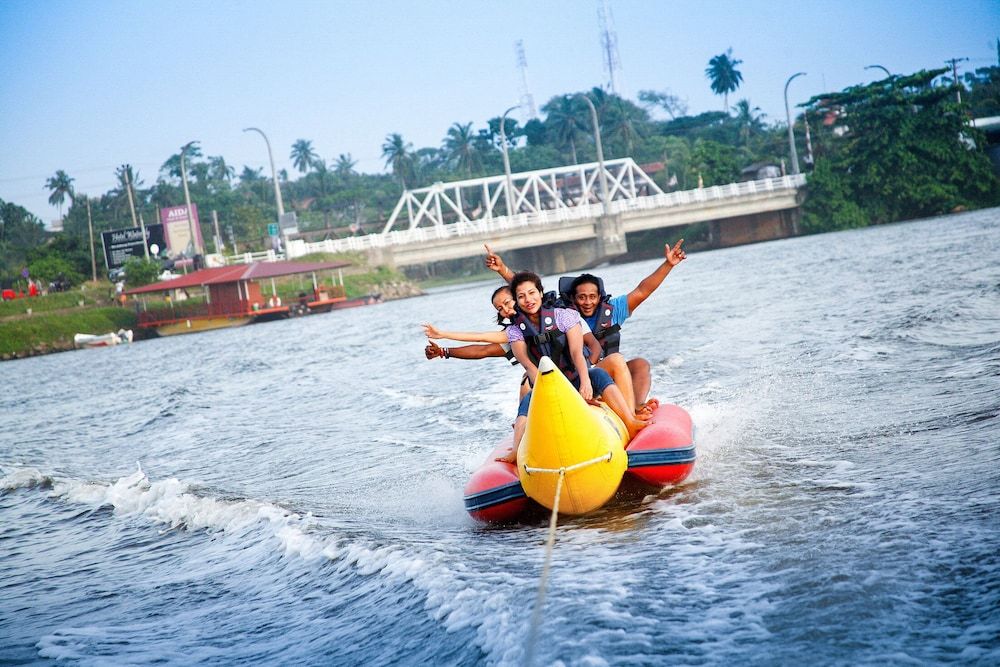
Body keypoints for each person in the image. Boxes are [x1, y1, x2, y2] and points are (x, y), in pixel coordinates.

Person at [484, 240, 687, 409]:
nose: (587, 302)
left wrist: (668, 265)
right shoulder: (561, 313)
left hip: (603, 370)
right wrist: (502, 269)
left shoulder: (614, 310)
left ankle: (635, 406)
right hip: (569, 374)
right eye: (581, 297)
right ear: (573, 297)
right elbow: (528, 291)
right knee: (526, 382)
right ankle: (529, 426)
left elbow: (642, 291)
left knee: (640, 364)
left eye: (592, 297)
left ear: (600, 297)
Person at [501, 271, 648, 463]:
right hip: (550, 384)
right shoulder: (515, 332)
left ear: (541, 293)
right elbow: (525, 365)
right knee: (526, 396)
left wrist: (585, 383)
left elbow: (579, 353)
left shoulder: (566, 317)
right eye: (521, 296)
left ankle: (630, 420)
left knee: (601, 374)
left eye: (532, 293)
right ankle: (518, 449)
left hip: (577, 376)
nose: (528, 299)